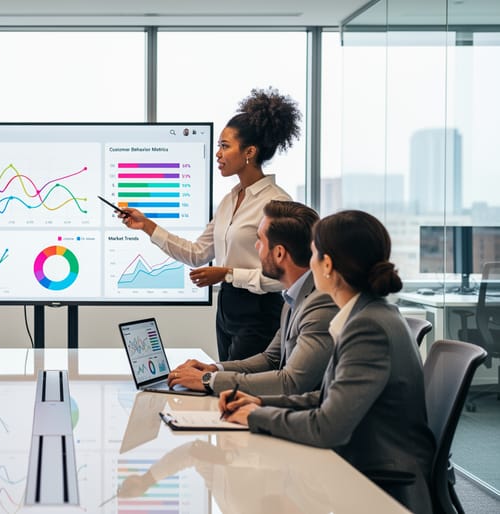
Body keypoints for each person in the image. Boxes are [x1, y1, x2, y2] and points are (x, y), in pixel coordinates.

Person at [220, 210, 435, 514]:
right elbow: (326, 398)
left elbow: (328, 427)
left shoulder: (367, 327)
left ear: (328, 265)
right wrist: (258, 402)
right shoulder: (367, 314)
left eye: (313, 254)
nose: (309, 264)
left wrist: (255, 417)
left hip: (380, 485)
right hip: (362, 464)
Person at [119, 87, 301, 360]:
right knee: (224, 390)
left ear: (249, 151)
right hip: (227, 310)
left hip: (260, 314)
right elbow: (197, 254)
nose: (218, 153)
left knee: (240, 389)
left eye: (225, 146)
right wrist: (147, 226)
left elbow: (283, 280)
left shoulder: (276, 204)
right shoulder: (230, 200)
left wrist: (227, 273)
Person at [167, 200, 338, 396]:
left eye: (260, 241)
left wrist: (208, 381)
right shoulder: (294, 298)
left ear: (280, 253)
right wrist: (214, 369)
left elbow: (290, 383)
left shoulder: (320, 305)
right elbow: (271, 359)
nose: (256, 246)